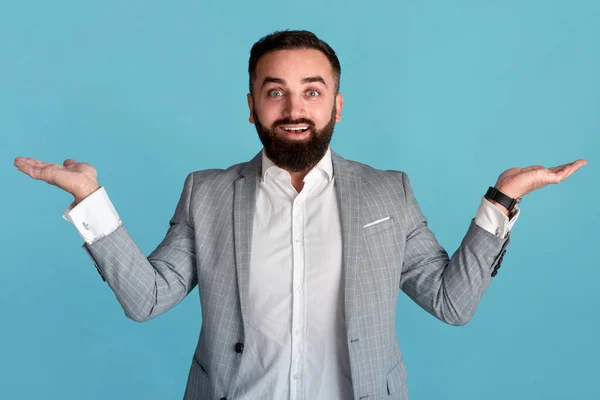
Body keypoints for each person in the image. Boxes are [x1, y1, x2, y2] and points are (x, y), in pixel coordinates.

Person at [13, 30, 586, 400]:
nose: (294, 109)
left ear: (337, 105)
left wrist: (502, 199)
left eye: (312, 92)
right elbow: (148, 299)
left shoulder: (389, 193)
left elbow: (451, 302)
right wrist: (91, 201)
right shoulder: (206, 193)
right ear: (252, 107)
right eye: (275, 92)